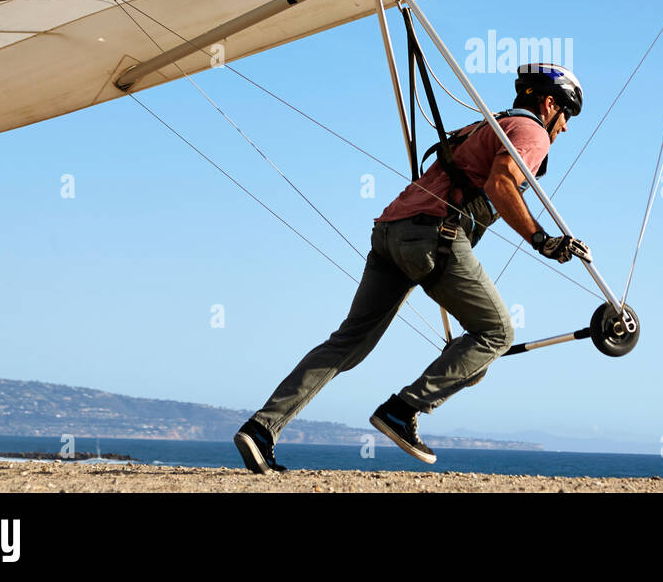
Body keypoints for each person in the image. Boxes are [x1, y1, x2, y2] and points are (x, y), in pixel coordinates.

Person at [234, 62, 589, 472]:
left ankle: (261, 428)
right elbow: (501, 184)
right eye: (566, 118)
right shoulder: (532, 133)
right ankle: (401, 411)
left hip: (389, 232)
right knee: (497, 332)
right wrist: (542, 240)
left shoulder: (483, 126)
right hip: (432, 237)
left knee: (348, 341)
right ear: (550, 104)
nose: (563, 129)